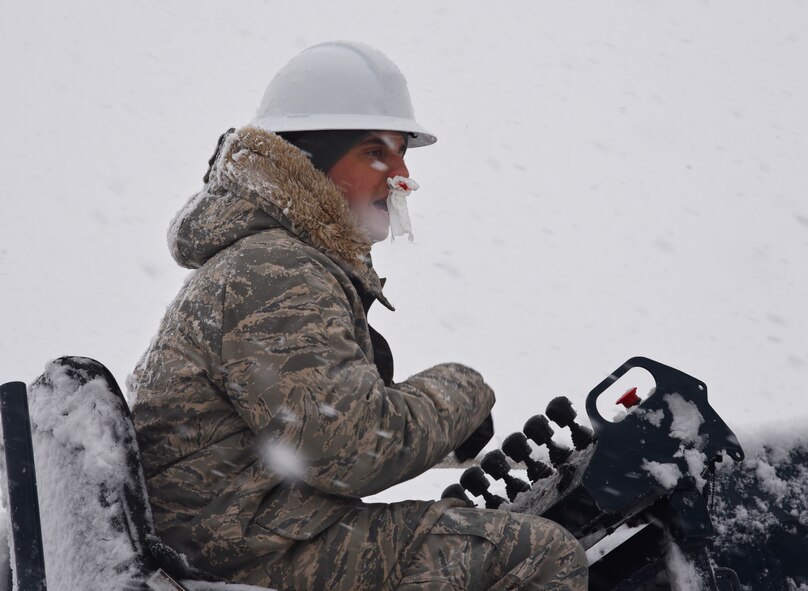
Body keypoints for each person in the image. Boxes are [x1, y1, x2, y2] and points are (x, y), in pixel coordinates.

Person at [132, 41, 589, 590]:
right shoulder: (273, 268)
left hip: (239, 535)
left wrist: (444, 439)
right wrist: (465, 391)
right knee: (535, 553)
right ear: (308, 167)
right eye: (376, 152)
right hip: (236, 554)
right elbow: (348, 451)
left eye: (402, 153)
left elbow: (311, 437)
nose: (402, 176)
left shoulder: (272, 262)